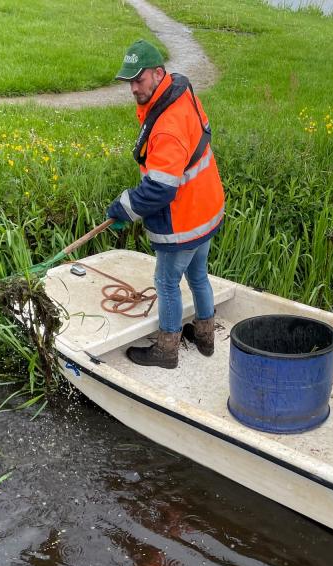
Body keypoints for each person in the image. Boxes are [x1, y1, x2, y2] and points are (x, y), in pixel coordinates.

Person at [106, 40, 225, 369]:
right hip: (207, 205)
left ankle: (167, 349)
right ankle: (205, 337)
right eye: (129, 81)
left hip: (185, 217)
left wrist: (122, 208)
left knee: (166, 282)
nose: (133, 88)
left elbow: (158, 191)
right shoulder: (180, 90)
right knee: (198, 275)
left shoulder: (167, 128)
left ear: (159, 74)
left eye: (139, 79)